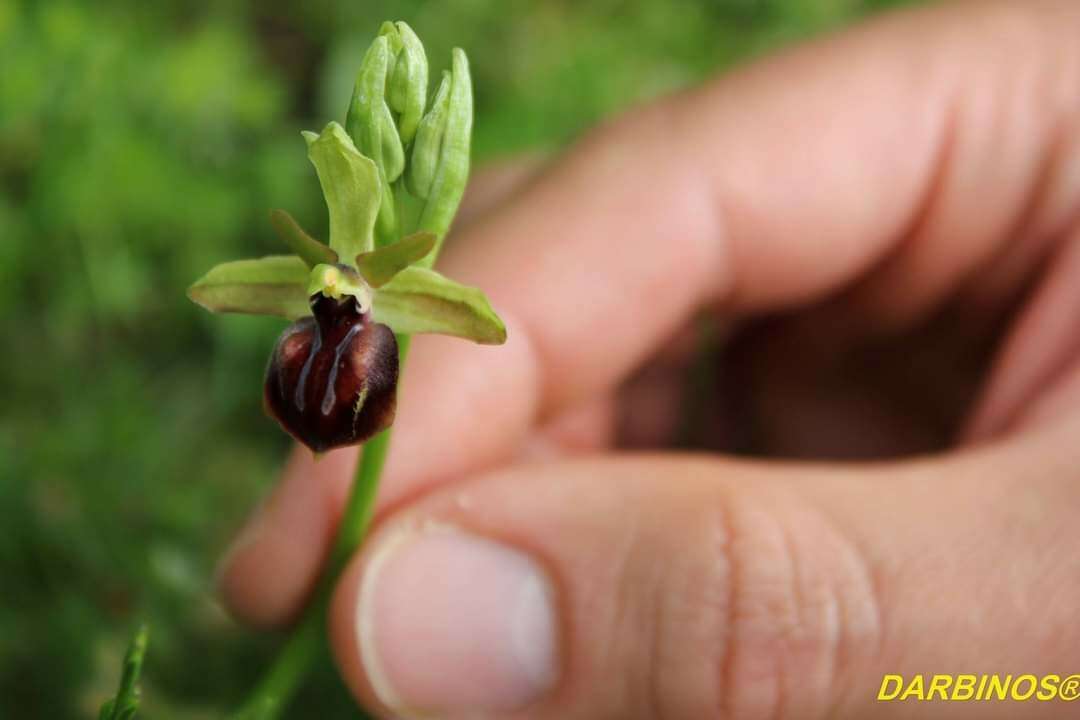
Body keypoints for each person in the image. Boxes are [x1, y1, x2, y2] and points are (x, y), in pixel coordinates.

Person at [218, 1, 1080, 717]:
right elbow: (247, 286)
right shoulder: (342, 294)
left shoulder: (400, 297)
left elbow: (472, 315)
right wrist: (332, 298)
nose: (334, 297)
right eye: (329, 293)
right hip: (353, 338)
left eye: (341, 293)